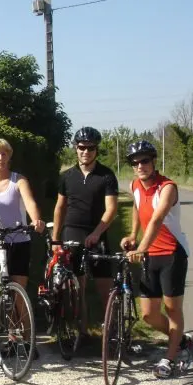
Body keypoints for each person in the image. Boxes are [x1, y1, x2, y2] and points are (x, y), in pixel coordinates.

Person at [120, 140, 193, 379]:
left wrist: (141, 247)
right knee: (149, 314)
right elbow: (137, 207)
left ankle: (170, 357)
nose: (140, 165)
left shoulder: (167, 187)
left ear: (153, 161)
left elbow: (157, 218)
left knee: (172, 308)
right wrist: (132, 235)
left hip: (172, 254)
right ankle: (180, 339)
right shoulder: (135, 186)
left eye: (144, 160)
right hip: (151, 256)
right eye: (135, 162)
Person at [0, 138, 45, 357]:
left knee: (18, 294)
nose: (0, 158)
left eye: (4, 153)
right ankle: (11, 337)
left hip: (19, 240)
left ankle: (27, 340)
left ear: (9, 156)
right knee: (2, 294)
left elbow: (30, 204)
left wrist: (36, 220)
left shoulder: (19, 181)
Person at [52, 126, 118, 336]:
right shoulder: (67, 176)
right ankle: (83, 331)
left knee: (104, 286)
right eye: (81, 147)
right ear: (76, 148)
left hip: (96, 232)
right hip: (72, 231)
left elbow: (111, 209)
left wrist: (97, 232)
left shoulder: (106, 175)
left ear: (96, 150)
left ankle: (113, 331)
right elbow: (60, 208)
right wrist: (55, 240)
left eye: (90, 148)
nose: (85, 152)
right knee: (76, 287)